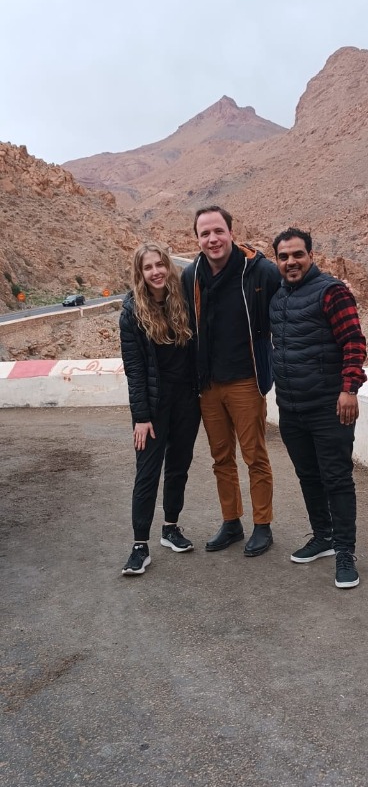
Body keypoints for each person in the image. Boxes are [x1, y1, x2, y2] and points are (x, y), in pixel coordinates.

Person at [269, 227, 367, 589]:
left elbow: (354, 342)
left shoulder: (332, 291)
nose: (291, 262)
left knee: (336, 478)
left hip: (330, 407)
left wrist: (349, 390)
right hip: (292, 408)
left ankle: (345, 551)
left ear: (311, 255)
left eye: (297, 254)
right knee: (308, 475)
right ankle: (323, 536)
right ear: (276, 261)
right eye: (284, 256)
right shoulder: (278, 298)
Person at [182, 205, 280, 557]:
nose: (212, 239)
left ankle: (263, 524)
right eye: (205, 233)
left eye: (218, 231)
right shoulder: (191, 275)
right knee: (221, 457)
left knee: (255, 455)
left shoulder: (259, 271)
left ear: (231, 233)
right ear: (197, 239)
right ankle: (231, 522)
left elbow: (289, 303)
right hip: (208, 383)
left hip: (246, 379)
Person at [120, 241, 201, 576]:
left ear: (168, 266)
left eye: (159, 265)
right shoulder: (132, 312)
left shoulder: (181, 300)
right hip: (153, 407)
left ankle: (170, 528)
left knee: (179, 466)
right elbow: (135, 370)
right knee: (147, 473)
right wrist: (141, 417)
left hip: (186, 400)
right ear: (140, 273)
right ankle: (140, 545)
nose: (155, 272)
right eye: (148, 267)